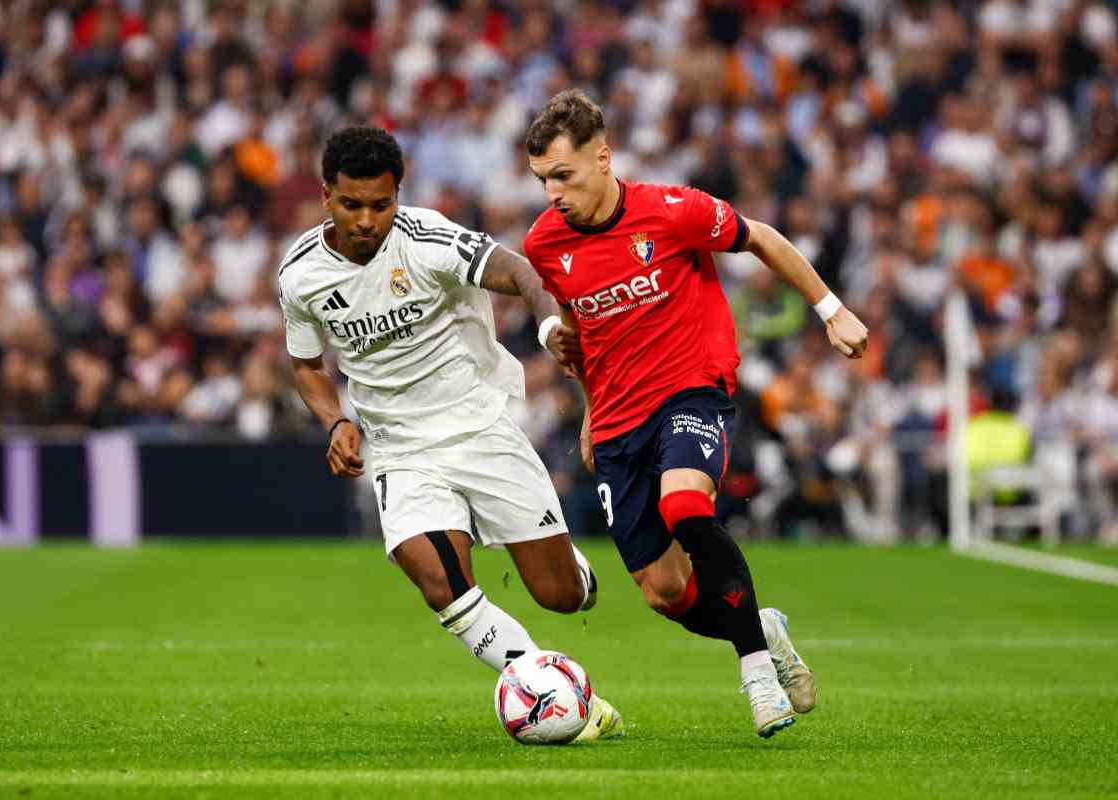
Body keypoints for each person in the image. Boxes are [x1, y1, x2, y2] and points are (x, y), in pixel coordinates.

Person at [523, 90, 869, 738]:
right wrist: (591, 413)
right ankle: (760, 626)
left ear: (603, 157)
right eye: (542, 179)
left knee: (686, 505)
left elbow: (760, 237)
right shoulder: (546, 244)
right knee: (666, 593)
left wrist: (831, 310)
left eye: (563, 176)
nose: (552, 193)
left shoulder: (673, 211)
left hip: (692, 389)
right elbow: (583, 327)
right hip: (620, 419)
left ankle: (757, 675)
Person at [279, 126, 623, 741]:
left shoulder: (426, 239)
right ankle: (554, 692)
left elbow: (518, 271)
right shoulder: (301, 274)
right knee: (441, 582)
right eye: (351, 204)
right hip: (397, 446)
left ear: (398, 196)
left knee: (561, 596)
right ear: (326, 193)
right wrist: (335, 421)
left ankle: (574, 574)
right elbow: (308, 366)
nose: (366, 220)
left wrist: (548, 329)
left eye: (380, 205)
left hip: (476, 426)